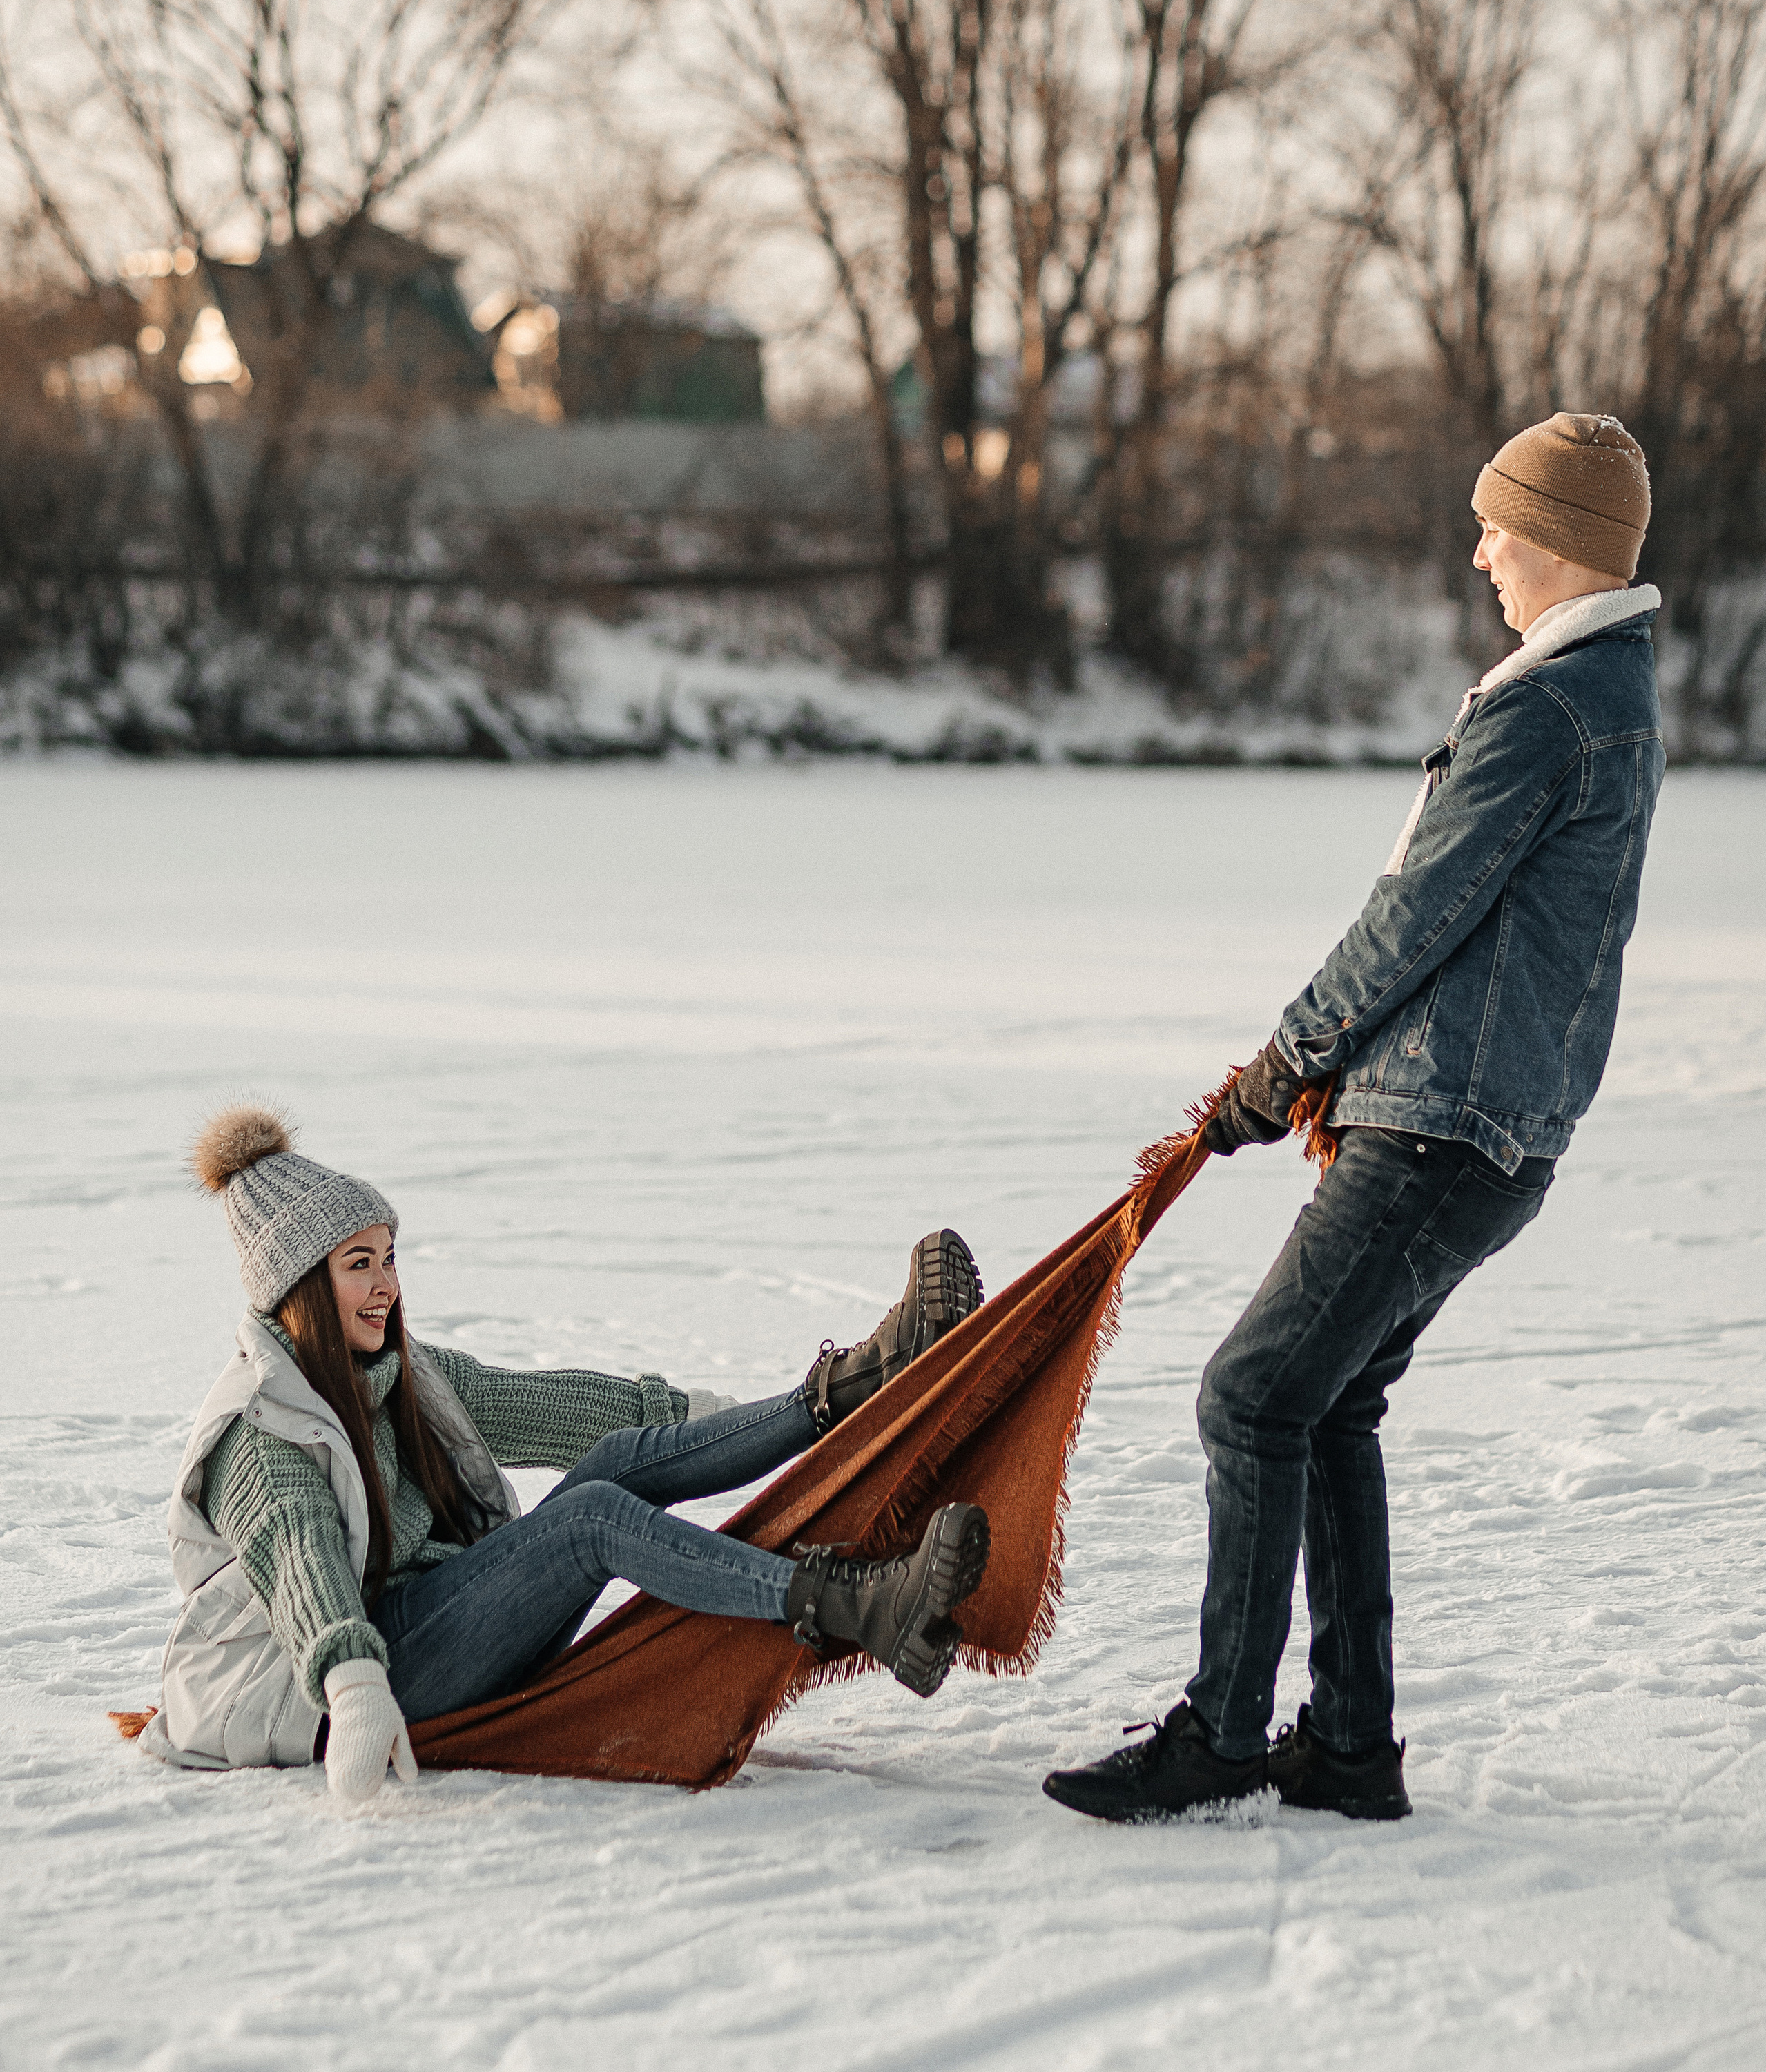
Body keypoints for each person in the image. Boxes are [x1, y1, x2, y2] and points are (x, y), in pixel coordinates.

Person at [1045, 411, 1665, 1827]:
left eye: (1496, 526)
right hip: (1487, 1123)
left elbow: (1413, 917)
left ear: (1560, 539)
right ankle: (1347, 1744)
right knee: (1326, 1411)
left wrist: (1282, 1067)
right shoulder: (1600, 693)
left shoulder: (1548, 707)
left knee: (1250, 1396)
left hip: (1443, 1124)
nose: (1478, 551)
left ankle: (1220, 1730)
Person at [139, 1105, 989, 1799]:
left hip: (429, 1624)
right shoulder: (261, 1430)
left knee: (614, 1462)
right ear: (298, 1292)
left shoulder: (400, 1374)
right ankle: (859, 1607)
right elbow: (305, 1568)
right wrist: (355, 1690)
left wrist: (737, 1416)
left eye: (390, 1259)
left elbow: (559, 1411)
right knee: (588, 1522)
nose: (387, 1285)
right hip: (324, 1680)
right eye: (358, 1265)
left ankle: (854, 1389)